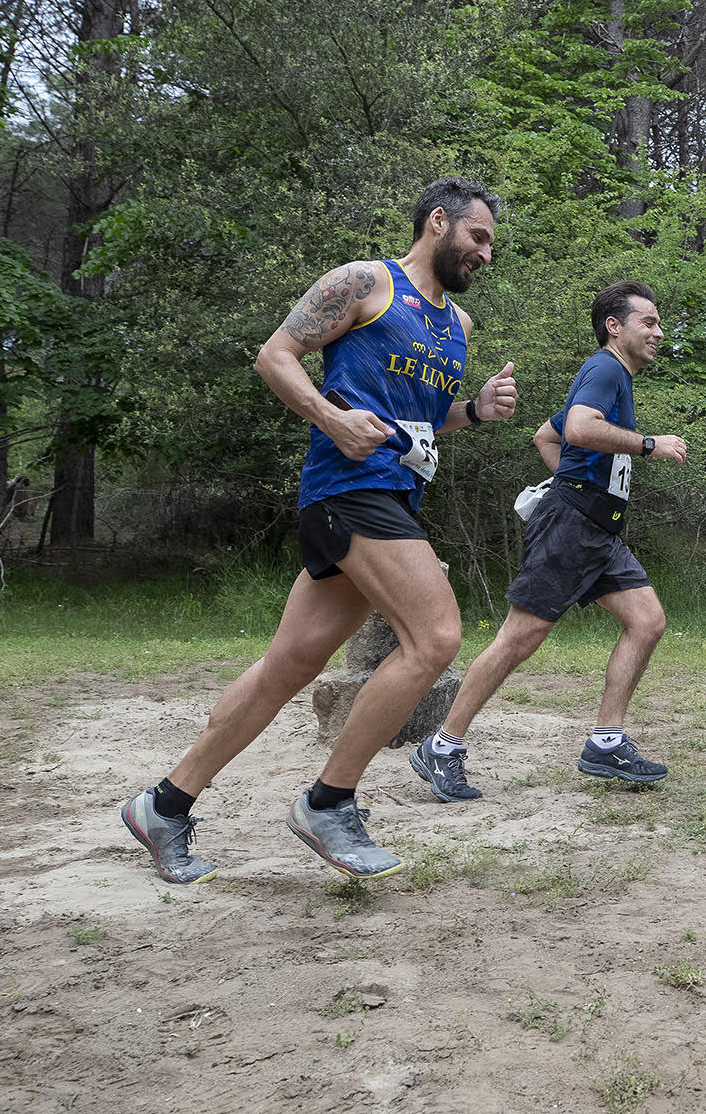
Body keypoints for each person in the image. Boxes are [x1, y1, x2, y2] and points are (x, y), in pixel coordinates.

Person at [120, 176, 518, 885]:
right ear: (438, 223)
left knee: (289, 666)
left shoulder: (454, 327)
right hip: (347, 490)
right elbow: (275, 355)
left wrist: (476, 410)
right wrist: (330, 419)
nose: (488, 253)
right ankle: (328, 803)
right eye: (479, 237)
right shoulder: (366, 283)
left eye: (492, 243)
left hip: (392, 496)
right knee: (435, 637)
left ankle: (164, 803)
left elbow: (420, 421)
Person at [408, 281, 687, 801]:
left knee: (646, 621)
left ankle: (606, 742)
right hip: (572, 529)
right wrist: (649, 444)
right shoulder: (605, 369)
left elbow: (547, 434)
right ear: (614, 327)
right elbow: (578, 428)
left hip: (597, 531)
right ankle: (442, 746)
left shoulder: (614, 377)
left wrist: (575, 486)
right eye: (647, 322)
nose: (658, 331)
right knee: (519, 639)